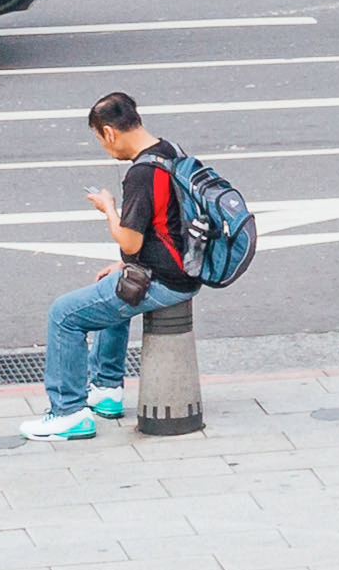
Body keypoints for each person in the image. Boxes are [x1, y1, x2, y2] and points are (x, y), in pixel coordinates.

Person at [19, 93, 202, 441]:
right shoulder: (172, 152)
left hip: (163, 281)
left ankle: (69, 413)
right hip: (185, 269)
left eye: (100, 139)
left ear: (109, 132)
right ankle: (105, 389)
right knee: (115, 282)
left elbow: (130, 241)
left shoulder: (142, 174)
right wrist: (124, 263)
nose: (105, 148)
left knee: (64, 315)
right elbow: (170, 224)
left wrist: (109, 209)